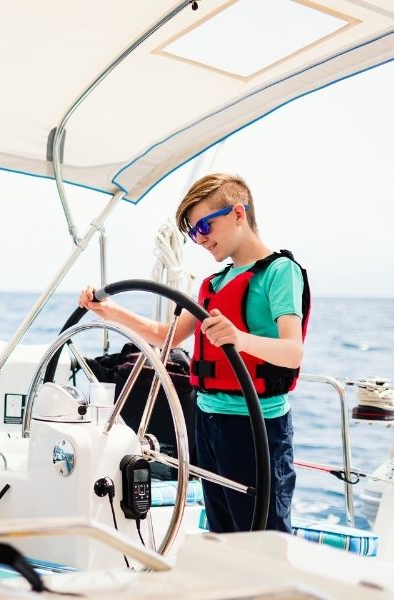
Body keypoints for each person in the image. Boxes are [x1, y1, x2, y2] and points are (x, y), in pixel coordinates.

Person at [79, 173, 309, 534]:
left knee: (263, 535)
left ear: (238, 213)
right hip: (207, 421)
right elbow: (165, 336)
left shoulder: (280, 273)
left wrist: (240, 340)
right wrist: (109, 312)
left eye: (204, 226)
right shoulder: (213, 284)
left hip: (256, 426)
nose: (199, 239)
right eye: (192, 233)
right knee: (222, 530)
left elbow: (293, 353)